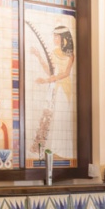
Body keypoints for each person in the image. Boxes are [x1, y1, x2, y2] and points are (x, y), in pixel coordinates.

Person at [32, 23, 75, 157]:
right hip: (53, 86)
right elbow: (50, 71)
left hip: (63, 88)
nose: (54, 39)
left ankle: (60, 151)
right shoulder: (54, 53)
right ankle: (46, 149)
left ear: (64, 38)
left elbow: (65, 73)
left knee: (60, 117)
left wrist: (47, 80)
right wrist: (39, 56)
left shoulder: (70, 55)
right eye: (54, 36)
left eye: (56, 36)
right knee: (49, 116)